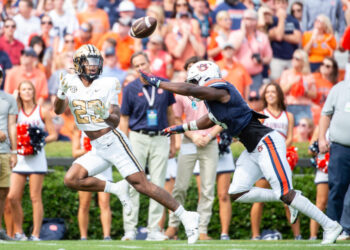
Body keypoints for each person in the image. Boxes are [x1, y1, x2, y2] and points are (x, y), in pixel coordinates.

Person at [140, 59, 343, 244]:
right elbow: (205, 121)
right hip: (253, 149)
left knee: (285, 194)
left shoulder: (220, 88)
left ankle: (330, 226)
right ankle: (289, 195)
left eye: (195, 82)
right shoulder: (215, 102)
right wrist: (179, 128)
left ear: (205, 78)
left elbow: (186, 89)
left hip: (267, 142)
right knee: (237, 192)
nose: (193, 87)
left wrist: (157, 81)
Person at [53, 44, 199, 244]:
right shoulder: (70, 81)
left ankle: (186, 215)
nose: (94, 66)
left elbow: (115, 119)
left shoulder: (108, 83)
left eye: (97, 62)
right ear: (79, 64)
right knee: (72, 179)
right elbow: (58, 111)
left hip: (113, 141)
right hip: (97, 146)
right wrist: (61, 94)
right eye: (89, 62)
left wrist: (105, 114)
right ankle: (116, 188)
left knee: (142, 185)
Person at [119, 51, 176, 241]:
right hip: (137, 137)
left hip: (160, 137)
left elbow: (171, 115)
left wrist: (173, 142)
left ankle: (154, 230)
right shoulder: (129, 88)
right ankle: (130, 230)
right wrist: (124, 143)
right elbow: (124, 119)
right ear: (133, 69)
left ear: (149, 63)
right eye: (136, 65)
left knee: (158, 184)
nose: (140, 68)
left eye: (143, 64)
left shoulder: (163, 84)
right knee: (134, 183)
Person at [164, 58, 221, 241]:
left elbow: (225, 117)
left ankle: (202, 229)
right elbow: (177, 119)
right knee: (180, 186)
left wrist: (209, 136)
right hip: (190, 141)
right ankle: (173, 226)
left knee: (207, 188)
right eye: (189, 68)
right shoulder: (182, 93)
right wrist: (193, 135)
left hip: (210, 142)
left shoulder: (214, 89)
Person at [249, 83, 301, 240]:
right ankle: (255, 235)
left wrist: (280, 151)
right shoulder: (260, 114)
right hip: (265, 161)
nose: (270, 94)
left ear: (279, 95)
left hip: (282, 161)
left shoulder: (288, 116)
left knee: (289, 200)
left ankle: (297, 235)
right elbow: (257, 138)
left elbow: (290, 137)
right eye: (267, 92)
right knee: (259, 199)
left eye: (273, 92)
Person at [7, 80, 58, 241]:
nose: (27, 92)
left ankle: (35, 234)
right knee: (12, 197)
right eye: (24, 89)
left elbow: (53, 135)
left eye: (29, 89)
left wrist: (39, 141)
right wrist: (13, 99)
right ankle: (19, 232)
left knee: (35, 197)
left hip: (36, 158)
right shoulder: (15, 113)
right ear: (19, 93)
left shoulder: (42, 111)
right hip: (19, 159)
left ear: (33, 92)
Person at [319, 76, 350, 243]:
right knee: (337, 187)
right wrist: (321, 138)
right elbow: (325, 114)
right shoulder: (339, 88)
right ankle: (331, 227)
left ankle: (347, 228)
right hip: (340, 147)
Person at [72, 127, 113, 240]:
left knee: (104, 203)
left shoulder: (105, 126)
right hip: (85, 170)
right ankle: (83, 236)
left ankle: (107, 236)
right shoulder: (78, 128)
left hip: (103, 170)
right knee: (84, 204)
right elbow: (75, 152)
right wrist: (90, 150)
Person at [0, 67, 17, 240]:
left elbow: (12, 126)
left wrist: (14, 151)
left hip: (4, 150)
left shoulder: (9, 99)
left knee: (4, 191)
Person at [279, 49, 317, 125]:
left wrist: (305, 91)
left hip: (304, 107)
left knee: (303, 132)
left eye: (297, 59)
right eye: (293, 57)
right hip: (289, 106)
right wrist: (291, 83)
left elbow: (314, 94)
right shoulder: (286, 73)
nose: (293, 60)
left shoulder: (308, 76)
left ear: (303, 61)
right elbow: (281, 91)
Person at [268, 0, 302, 82]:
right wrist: (281, 18)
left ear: (287, 5)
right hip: (277, 58)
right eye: (279, 3)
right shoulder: (271, 20)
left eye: (283, 3)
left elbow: (297, 39)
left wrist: (281, 34)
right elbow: (278, 37)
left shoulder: (293, 20)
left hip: (291, 58)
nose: (281, 5)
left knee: (292, 83)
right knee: (276, 83)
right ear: (274, 5)